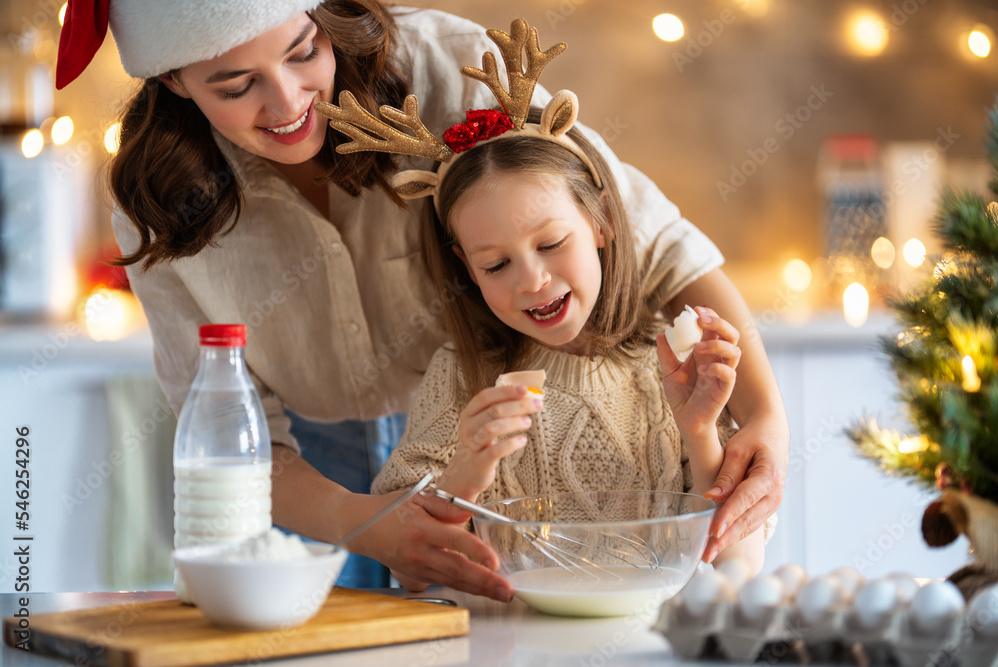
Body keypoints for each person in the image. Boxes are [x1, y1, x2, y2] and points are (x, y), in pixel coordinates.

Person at [55, 0, 785, 596]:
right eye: (236, 85)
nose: (286, 102)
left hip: (478, 403)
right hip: (308, 464)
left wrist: (766, 415)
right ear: (177, 80)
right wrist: (358, 518)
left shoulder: (448, 68)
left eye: (304, 50)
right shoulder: (160, 199)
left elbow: (661, 245)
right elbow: (227, 425)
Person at [357, 70, 766, 569]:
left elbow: (730, 559)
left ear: (602, 223)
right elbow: (408, 563)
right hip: (510, 644)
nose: (531, 280)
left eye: (550, 244)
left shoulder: (677, 369)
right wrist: (467, 470)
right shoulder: (461, 379)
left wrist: (701, 430)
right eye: (496, 264)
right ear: (468, 268)